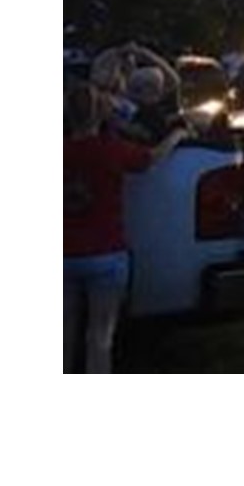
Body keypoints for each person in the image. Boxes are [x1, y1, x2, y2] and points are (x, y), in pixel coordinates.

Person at [65, 82, 186, 372]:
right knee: (100, 337)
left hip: (63, 256)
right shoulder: (113, 150)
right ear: (99, 115)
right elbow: (154, 157)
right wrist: (178, 134)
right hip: (107, 254)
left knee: (62, 336)